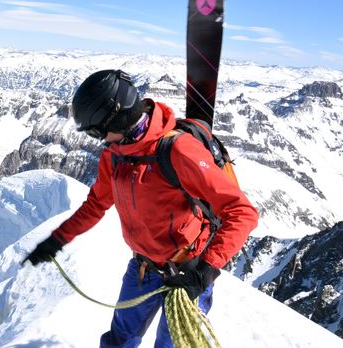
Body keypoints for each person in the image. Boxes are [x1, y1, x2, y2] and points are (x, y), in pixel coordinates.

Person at [24, 69, 259, 348]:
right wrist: (57, 240)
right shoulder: (115, 155)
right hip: (142, 268)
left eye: (99, 130)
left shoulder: (178, 151)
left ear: (118, 115)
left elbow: (242, 212)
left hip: (187, 274)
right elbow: (96, 204)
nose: (100, 139)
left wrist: (205, 272)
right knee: (119, 340)